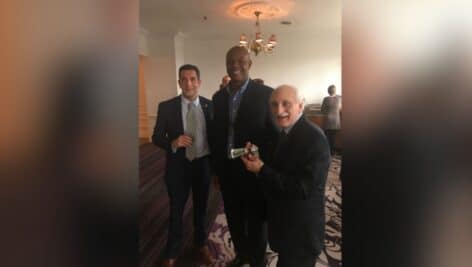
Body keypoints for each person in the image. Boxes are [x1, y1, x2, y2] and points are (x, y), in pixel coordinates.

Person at [240, 85, 331, 267]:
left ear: (300, 105)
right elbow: (278, 170)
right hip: (284, 225)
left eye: (286, 104)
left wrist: (261, 169)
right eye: (274, 104)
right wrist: (258, 160)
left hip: (301, 231)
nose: (279, 110)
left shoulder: (314, 139)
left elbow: (301, 188)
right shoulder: (283, 133)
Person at [209, 46, 275, 267]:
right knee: (234, 217)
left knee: (256, 220)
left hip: (254, 170)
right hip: (227, 170)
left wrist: (265, 167)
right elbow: (216, 136)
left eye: (241, 61)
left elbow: (274, 136)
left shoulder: (266, 95)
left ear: (250, 64)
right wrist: (216, 171)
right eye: (231, 61)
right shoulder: (218, 98)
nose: (235, 65)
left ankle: (257, 260)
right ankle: (242, 254)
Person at [152, 64, 215, 267]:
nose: (188, 83)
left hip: (203, 166)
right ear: (179, 83)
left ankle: (201, 244)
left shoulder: (210, 106)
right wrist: (173, 142)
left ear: (199, 82)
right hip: (177, 168)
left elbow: (216, 137)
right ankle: (172, 250)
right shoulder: (166, 106)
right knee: (176, 211)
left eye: (192, 79)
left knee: (201, 209)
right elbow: (156, 137)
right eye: (184, 79)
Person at [321, 84, 342, 155]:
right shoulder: (339, 98)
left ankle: (327, 152)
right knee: (333, 138)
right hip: (336, 121)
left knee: (327, 138)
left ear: (328, 91)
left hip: (328, 121)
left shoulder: (326, 99)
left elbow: (322, 110)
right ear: (335, 91)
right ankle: (332, 152)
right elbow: (340, 108)